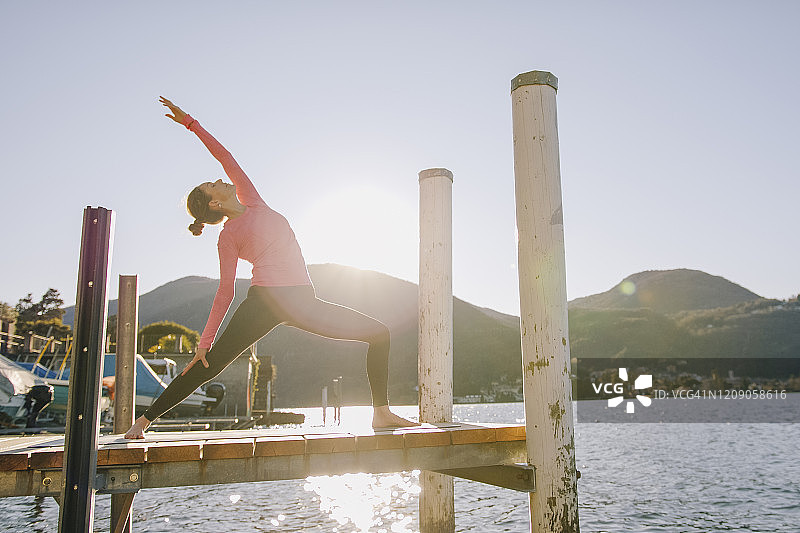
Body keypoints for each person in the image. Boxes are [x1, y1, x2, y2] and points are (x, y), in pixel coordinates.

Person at [124, 97, 417, 438]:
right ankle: (142, 423)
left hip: (304, 302)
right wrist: (204, 341)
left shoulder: (252, 200)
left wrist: (191, 123)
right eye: (212, 185)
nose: (218, 179)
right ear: (215, 203)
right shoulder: (228, 236)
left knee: (378, 333)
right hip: (264, 303)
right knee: (209, 363)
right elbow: (225, 291)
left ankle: (381, 414)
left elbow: (226, 156)